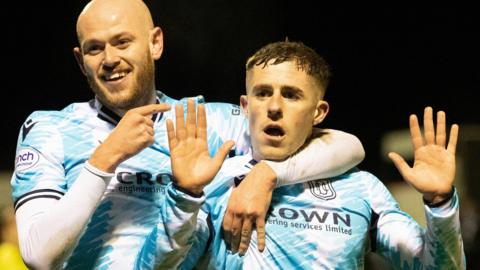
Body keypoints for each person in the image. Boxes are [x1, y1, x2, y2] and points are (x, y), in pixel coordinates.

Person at [10, 1, 364, 269]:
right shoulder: (50, 129)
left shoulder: (205, 122)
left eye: (122, 42)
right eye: (94, 48)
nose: (109, 58)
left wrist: (269, 173)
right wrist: (103, 160)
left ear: (155, 43)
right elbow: (38, 255)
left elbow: (349, 147)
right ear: (79, 60)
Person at [160, 41, 466, 269]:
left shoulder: (361, 187)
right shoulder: (215, 183)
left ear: (318, 112)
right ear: (244, 106)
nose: (274, 107)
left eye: (291, 95)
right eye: (262, 93)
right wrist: (185, 195)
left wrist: (440, 205)